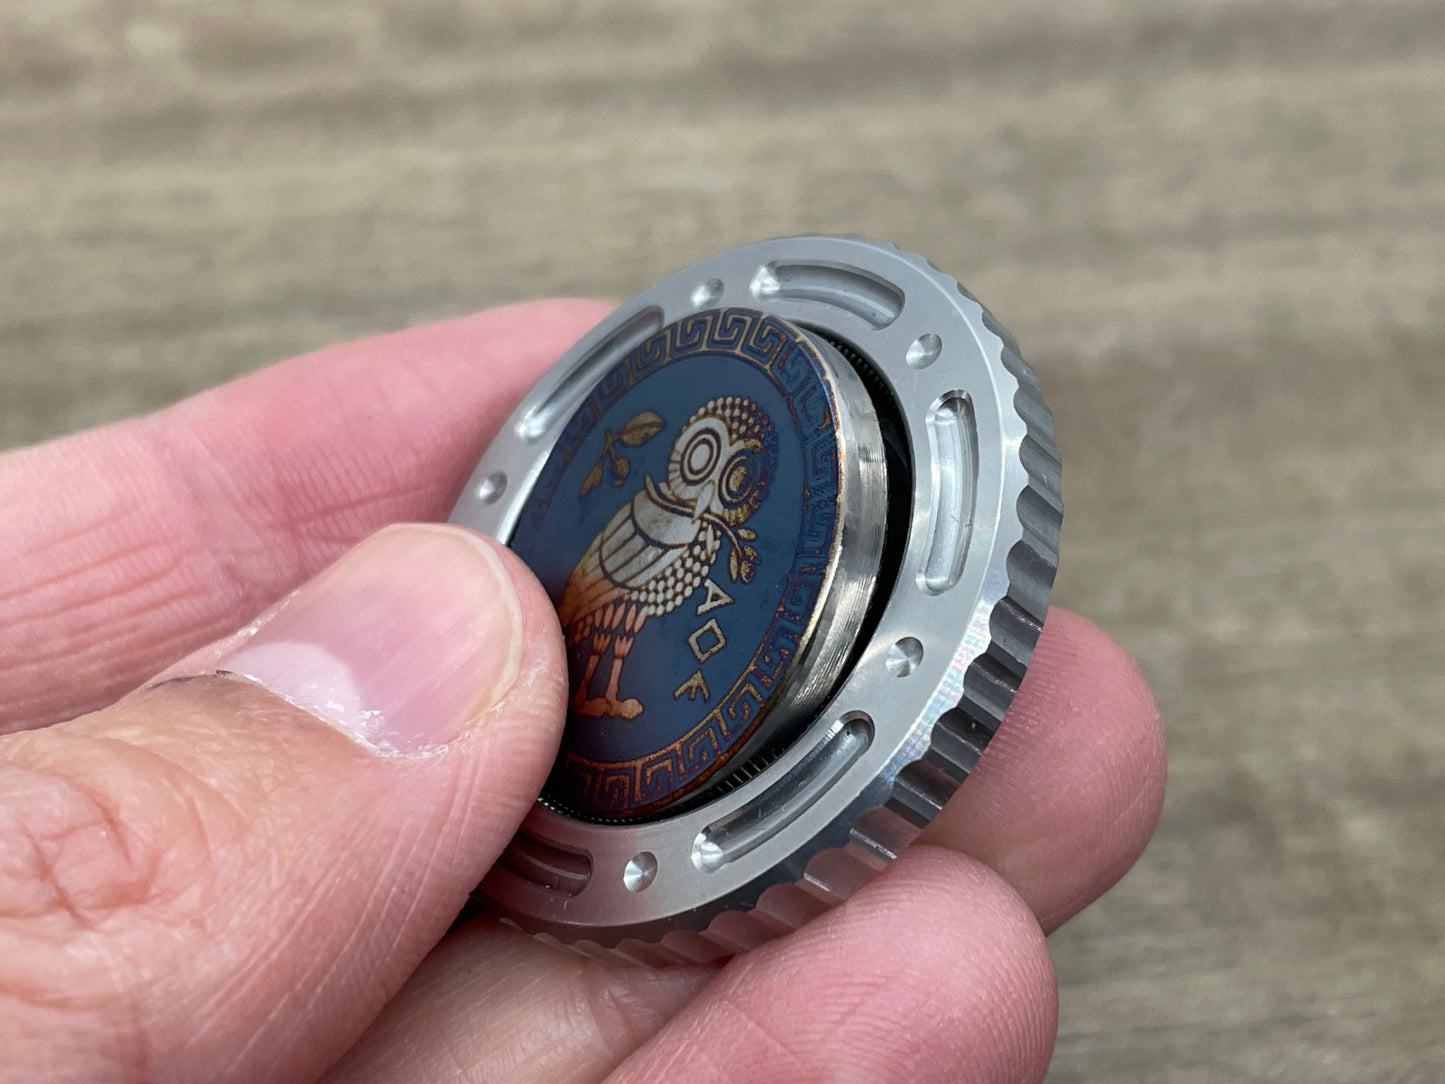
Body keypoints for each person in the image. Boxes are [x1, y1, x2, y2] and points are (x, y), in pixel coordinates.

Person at [0, 300, 1166, 1083]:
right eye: (702, 463)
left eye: (726, 470)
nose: (706, 483)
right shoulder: (643, 524)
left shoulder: (745, 501)